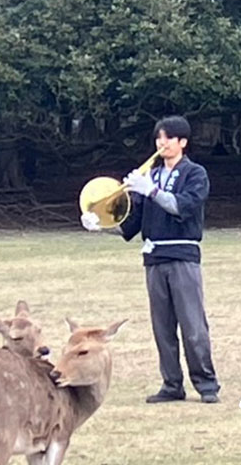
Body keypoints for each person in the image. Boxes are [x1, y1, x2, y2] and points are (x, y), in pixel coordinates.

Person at [81, 115, 221, 404]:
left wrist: (152, 191)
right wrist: (101, 223)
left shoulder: (195, 174)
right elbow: (130, 225)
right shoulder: (151, 176)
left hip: (183, 256)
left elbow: (182, 206)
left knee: (193, 326)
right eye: (159, 137)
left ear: (182, 142)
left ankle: (207, 385)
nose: (162, 143)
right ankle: (171, 385)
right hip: (154, 258)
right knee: (162, 327)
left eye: (169, 138)